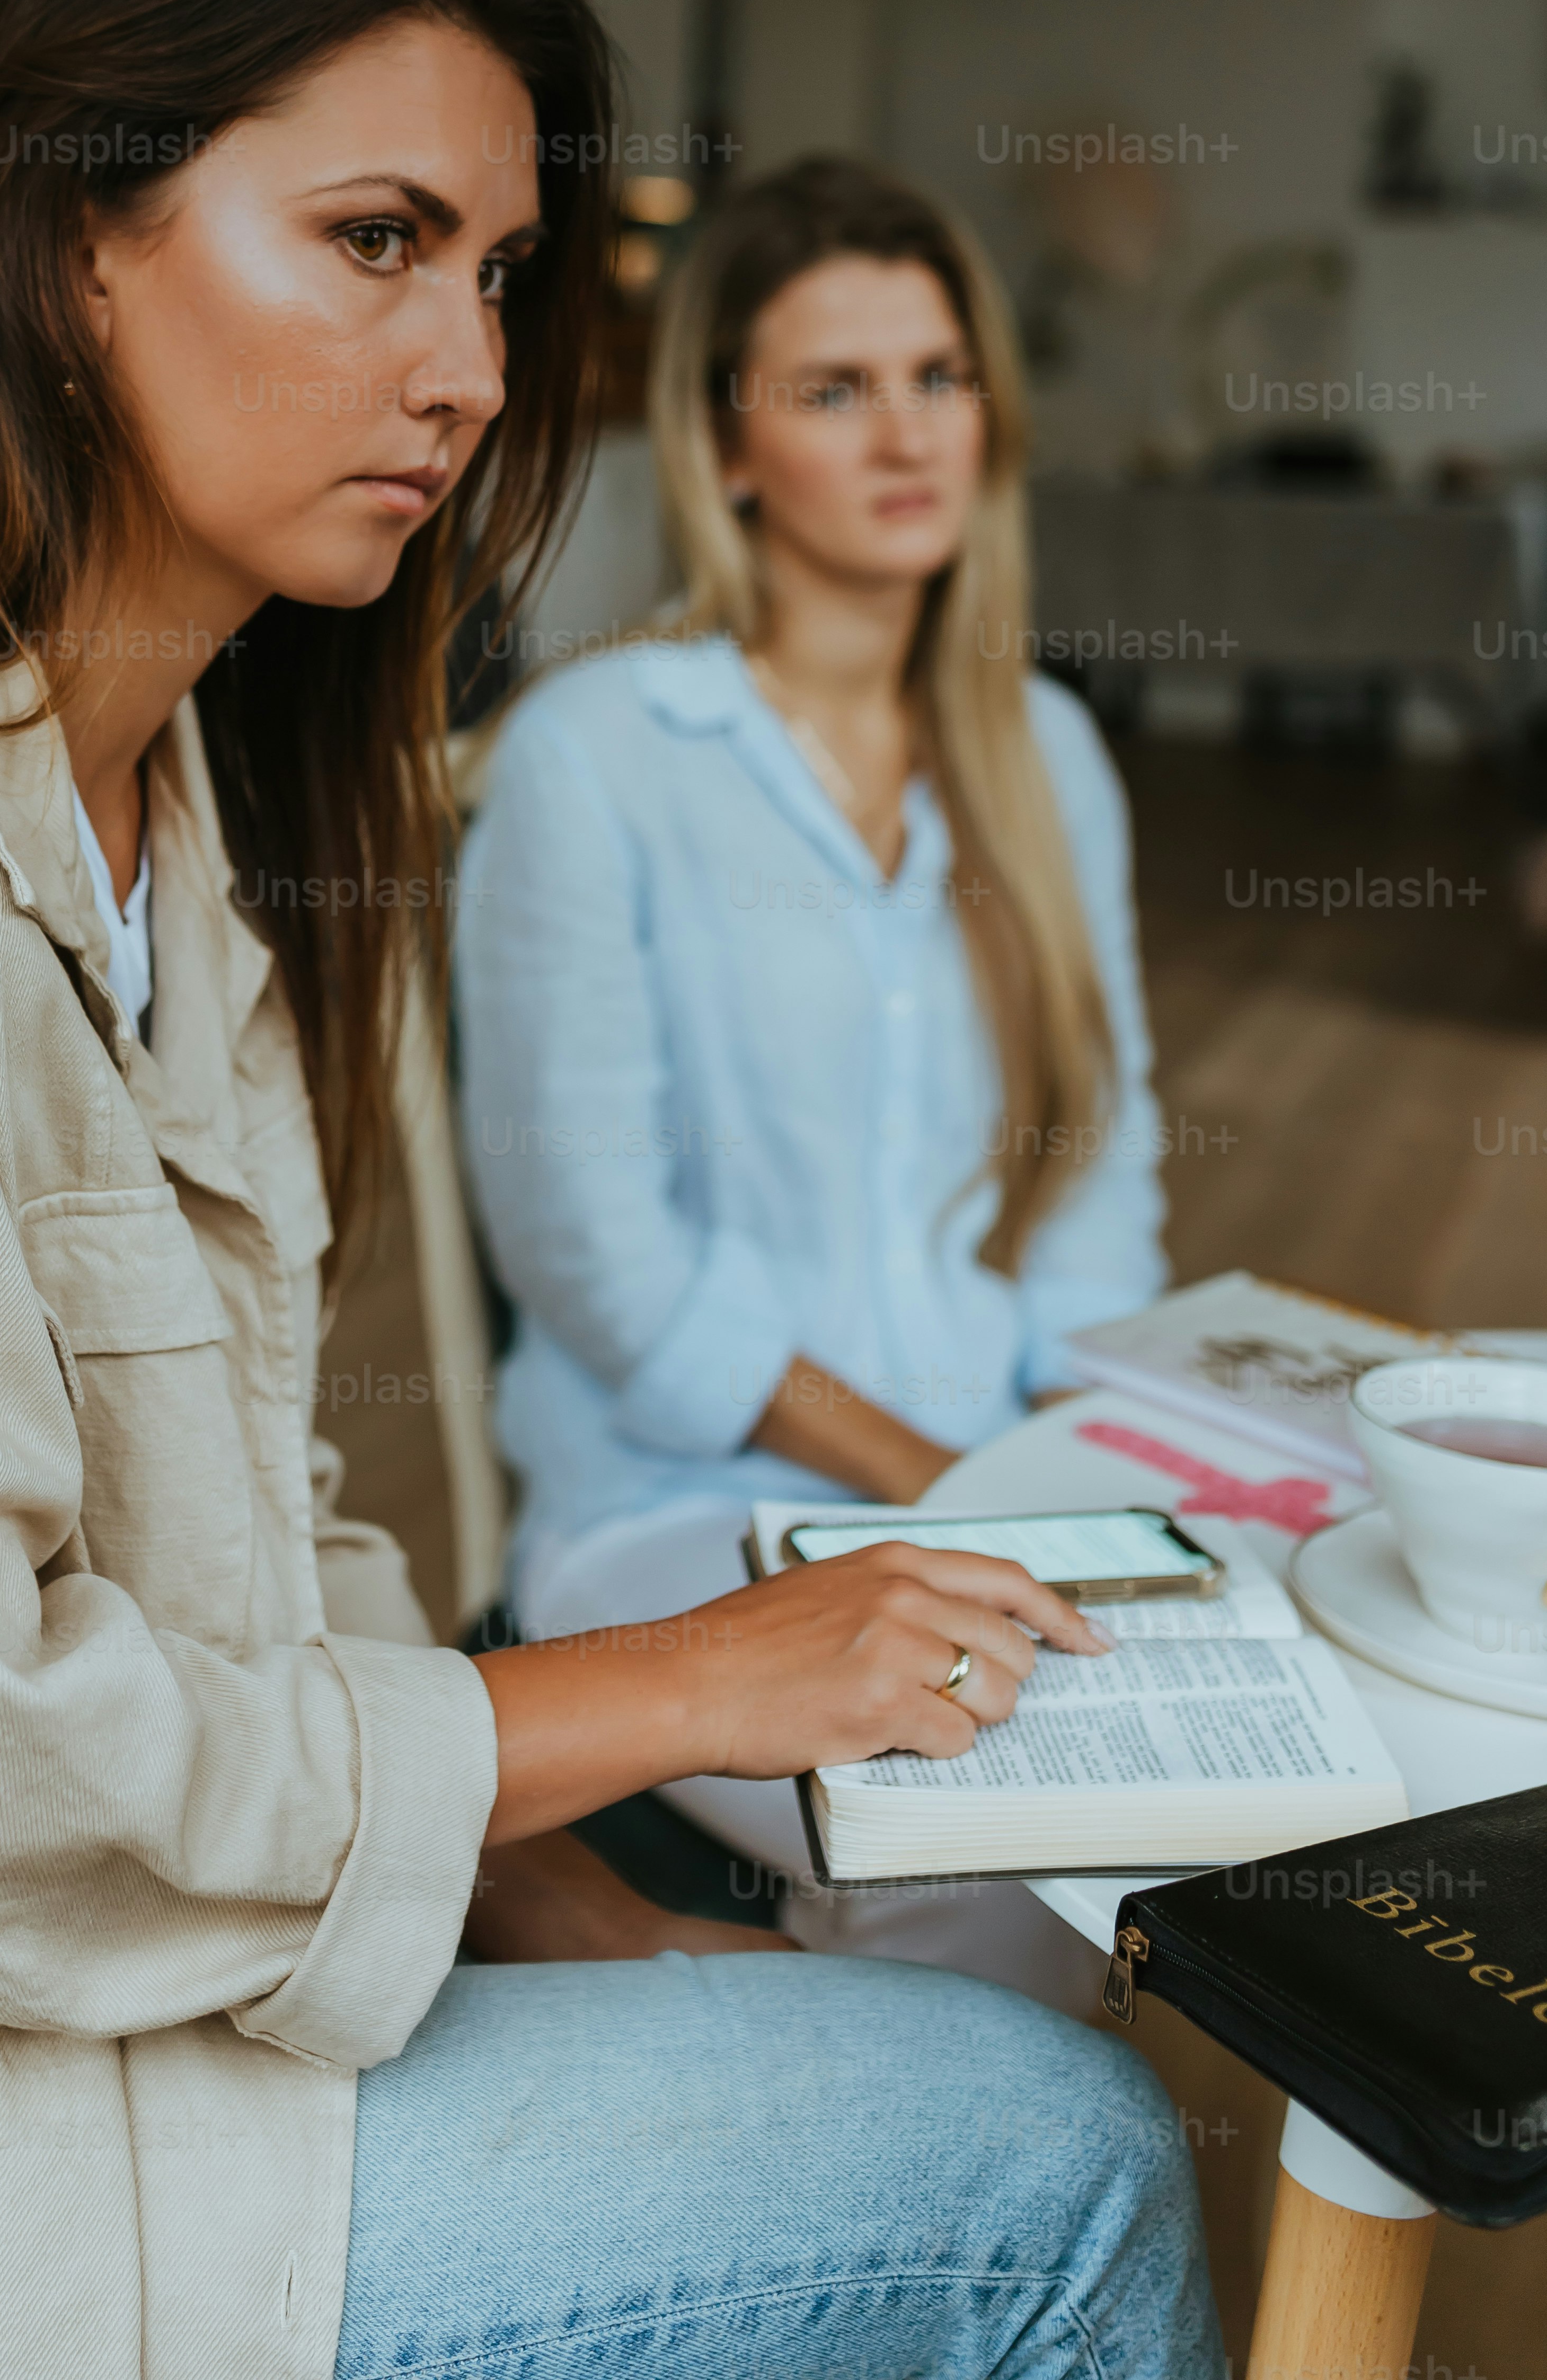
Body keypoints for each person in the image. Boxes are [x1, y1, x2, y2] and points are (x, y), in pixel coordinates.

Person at [0, 0, 1215, 2380]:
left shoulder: (169, 822)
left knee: (915, 2060)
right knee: (1054, 2166)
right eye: (371, 242)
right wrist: (693, 1686)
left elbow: (258, 1542)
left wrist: (580, 1925)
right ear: (75, 237)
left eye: (492, 277)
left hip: (130, 2052)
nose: (463, 368)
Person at [455, 158, 1169, 1945]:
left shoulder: (1050, 755)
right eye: (837, 390)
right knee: (999, 1807)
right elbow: (594, 1255)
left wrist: (1084, 1466)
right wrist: (946, 1489)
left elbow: (1103, 1179)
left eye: (937, 378)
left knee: (1245, 1732)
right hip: (681, 1520)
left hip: (1001, 1478)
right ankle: (943, 2196)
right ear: (732, 445)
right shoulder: (600, 750)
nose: (906, 430)